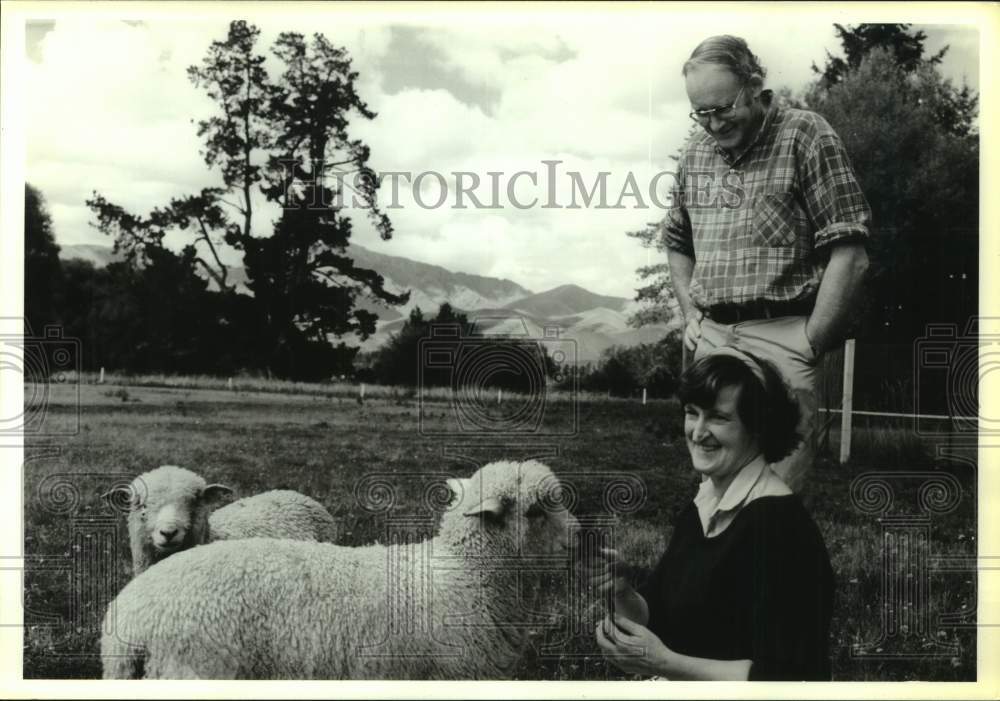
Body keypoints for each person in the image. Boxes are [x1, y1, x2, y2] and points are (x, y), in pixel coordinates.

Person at [663, 35, 872, 490]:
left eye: (723, 108)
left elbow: (850, 251)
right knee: (713, 493)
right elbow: (676, 241)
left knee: (776, 498)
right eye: (702, 112)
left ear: (755, 86)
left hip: (785, 342)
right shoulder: (694, 156)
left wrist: (812, 340)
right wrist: (690, 314)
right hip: (712, 341)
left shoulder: (806, 134)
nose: (713, 124)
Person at [592, 348, 835, 680]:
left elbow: (790, 679)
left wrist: (664, 664)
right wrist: (622, 592)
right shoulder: (703, 506)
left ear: (759, 427)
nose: (698, 431)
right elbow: (658, 615)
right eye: (692, 413)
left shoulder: (781, 529)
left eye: (718, 418)